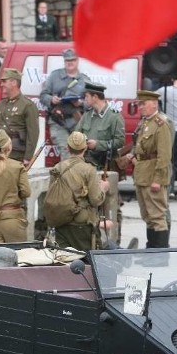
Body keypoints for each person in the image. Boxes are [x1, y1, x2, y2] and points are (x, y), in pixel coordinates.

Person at [74, 81, 126, 246]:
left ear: (95, 97)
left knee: (111, 206)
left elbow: (120, 141)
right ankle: (95, 242)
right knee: (91, 204)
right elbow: (76, 134)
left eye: (87, 96)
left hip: (106, 165)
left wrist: (99, 145)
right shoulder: (87, 116)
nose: (85, 99)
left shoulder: (114, 116)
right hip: (88, 167)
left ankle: (114, 242)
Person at [125, 90, 173, 249]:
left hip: (153, 176)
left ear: (154, 104)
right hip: (142, 174)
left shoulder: (161, 123)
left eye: (143, 104)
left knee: (157, 216)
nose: (140, 107)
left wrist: (158, 180)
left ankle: (158, 255)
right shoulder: (146, 122)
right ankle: (151, 250)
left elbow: (164, 155)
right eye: (139, 104)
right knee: (147, 215)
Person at [50, 132, 109, 251]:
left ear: (67, 147)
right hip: (82, 223)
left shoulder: (57, 168)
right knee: (88, 262)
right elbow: (95, 200)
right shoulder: (89, 170)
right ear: (85, 147)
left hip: (61, 221)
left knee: (64, 261)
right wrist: (103, 188)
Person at [40, 48, 90, 159]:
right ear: (64, 61)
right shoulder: (54, 76)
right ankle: (67, 175)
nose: (70, 63)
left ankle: (75, 175)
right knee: (65, 149)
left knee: (79, 152)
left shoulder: (84, 80)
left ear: (77, 61)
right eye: (67, 61)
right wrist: (52, 99)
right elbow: (43, 95)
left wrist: (81, 103)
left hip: (76, 121)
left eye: (72, 60)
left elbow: (91, 102)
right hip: (58, 120)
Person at [0, 68, 40, 166]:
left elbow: (33, 134)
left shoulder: (27, 105)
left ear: (14, 82)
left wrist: (28, 157)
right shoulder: (1, 105)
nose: (1, 85)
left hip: (16, 154)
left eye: (4, 81)